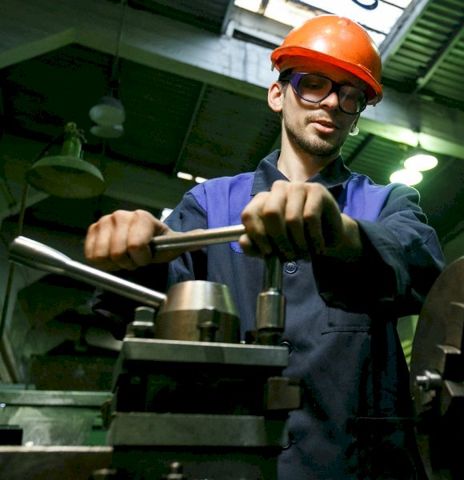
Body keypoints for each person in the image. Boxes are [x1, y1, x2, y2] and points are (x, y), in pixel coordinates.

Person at [84, 14, 445, 479]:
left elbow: (423, 268)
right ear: (277, 94)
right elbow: (151, 307)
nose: (332, 103)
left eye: (350, 95)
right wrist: (133, 252)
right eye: (313, 84)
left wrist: (342, 234)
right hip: (231, 460)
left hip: (354, 464)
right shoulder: (211, 203)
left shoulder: (385, 202)